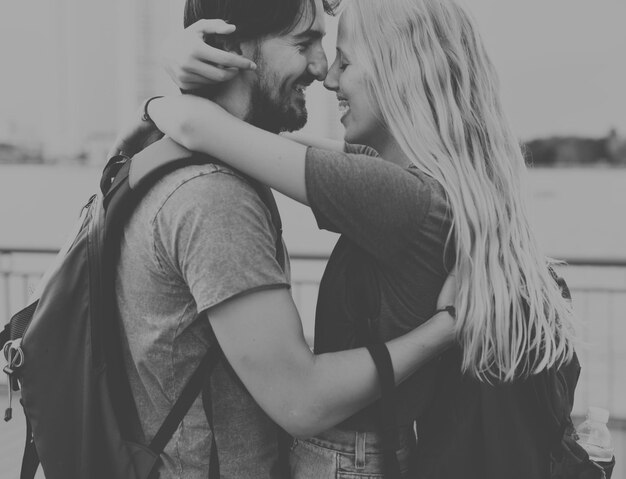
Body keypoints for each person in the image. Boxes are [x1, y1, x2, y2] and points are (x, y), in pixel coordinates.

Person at [114, 0, 580, 477]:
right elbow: (248, 141)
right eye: (309, 46)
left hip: (346, 460)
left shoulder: (399, 197)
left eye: (346, 61)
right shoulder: (421, 187)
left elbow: (198, 126)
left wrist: (158, 99)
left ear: (400, 74)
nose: (329, 77)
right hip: (371, 451)